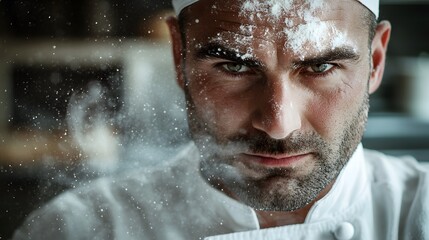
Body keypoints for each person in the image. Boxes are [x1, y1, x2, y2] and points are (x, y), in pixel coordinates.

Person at [13, 0, 429, 239]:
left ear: (375, 62)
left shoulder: (420, 214)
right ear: (179, 56)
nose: (279, 124)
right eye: (234, 67)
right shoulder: (75, 229)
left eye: (320, 68)